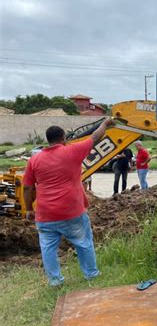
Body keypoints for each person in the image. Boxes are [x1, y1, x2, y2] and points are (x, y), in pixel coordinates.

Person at [23, 118, 113, 286]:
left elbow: (27, 188)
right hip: (71, 212)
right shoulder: (72, 151)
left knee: (48, 248)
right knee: (83, 243)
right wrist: (106, 124)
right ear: (63, 137)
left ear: (48, 140)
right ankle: (91, 275)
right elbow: (95, 137)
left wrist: (29, 209)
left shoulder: (34, 160)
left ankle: (55, 281)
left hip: (45, 215)